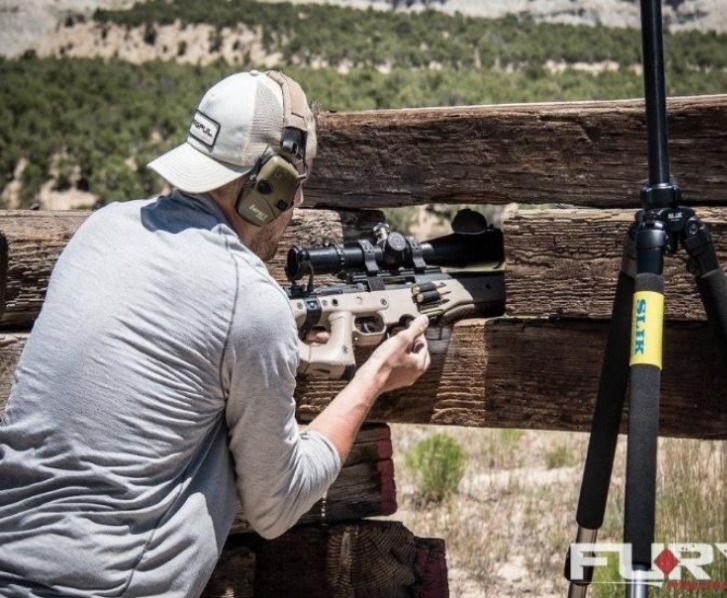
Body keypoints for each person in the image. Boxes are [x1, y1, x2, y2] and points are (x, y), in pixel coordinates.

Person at [0, 70, 431, 598]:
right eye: (295, 186)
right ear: (268, 185)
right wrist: (375, 377)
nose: (296, 206)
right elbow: (277, 506)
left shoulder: (103, 228)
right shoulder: (247, 298)